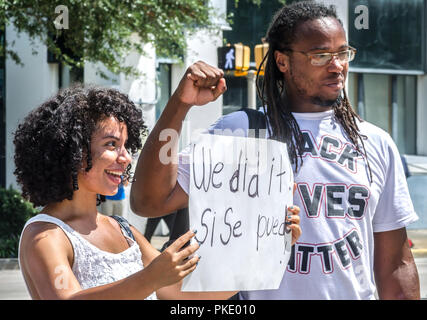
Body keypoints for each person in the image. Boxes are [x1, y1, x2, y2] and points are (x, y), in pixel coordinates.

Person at [130, 1, 419, 300]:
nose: (337, 66)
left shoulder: (374, 142)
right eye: (320, 56)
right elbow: (149, 202)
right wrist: (179, 104)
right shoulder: (240, 132)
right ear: (282, 61)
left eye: (343, 53)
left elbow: (395, 265)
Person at [14, 85, 236, 300]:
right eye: (111, 144)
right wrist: (149, 279)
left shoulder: (123, 229)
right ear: (71, 149)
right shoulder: (45, 235)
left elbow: (179, 293)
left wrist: (253, 269)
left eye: (126, 146)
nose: (126, 158)